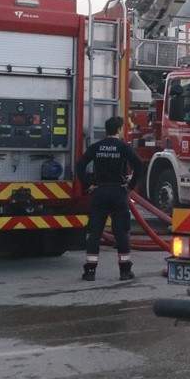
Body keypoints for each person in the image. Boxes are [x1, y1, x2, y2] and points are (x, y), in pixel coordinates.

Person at [77, 116, 145, 282]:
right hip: (118, 192)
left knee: (95, 232)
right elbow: (139, 165)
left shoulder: (96, 147)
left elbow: (80, 166)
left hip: (99, 192)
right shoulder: (123, 147)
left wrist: (88, 185)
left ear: (106, 130)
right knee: (121, 232)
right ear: (120, 129)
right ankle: (124, 271)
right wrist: (130, 186)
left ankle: (90, 271)